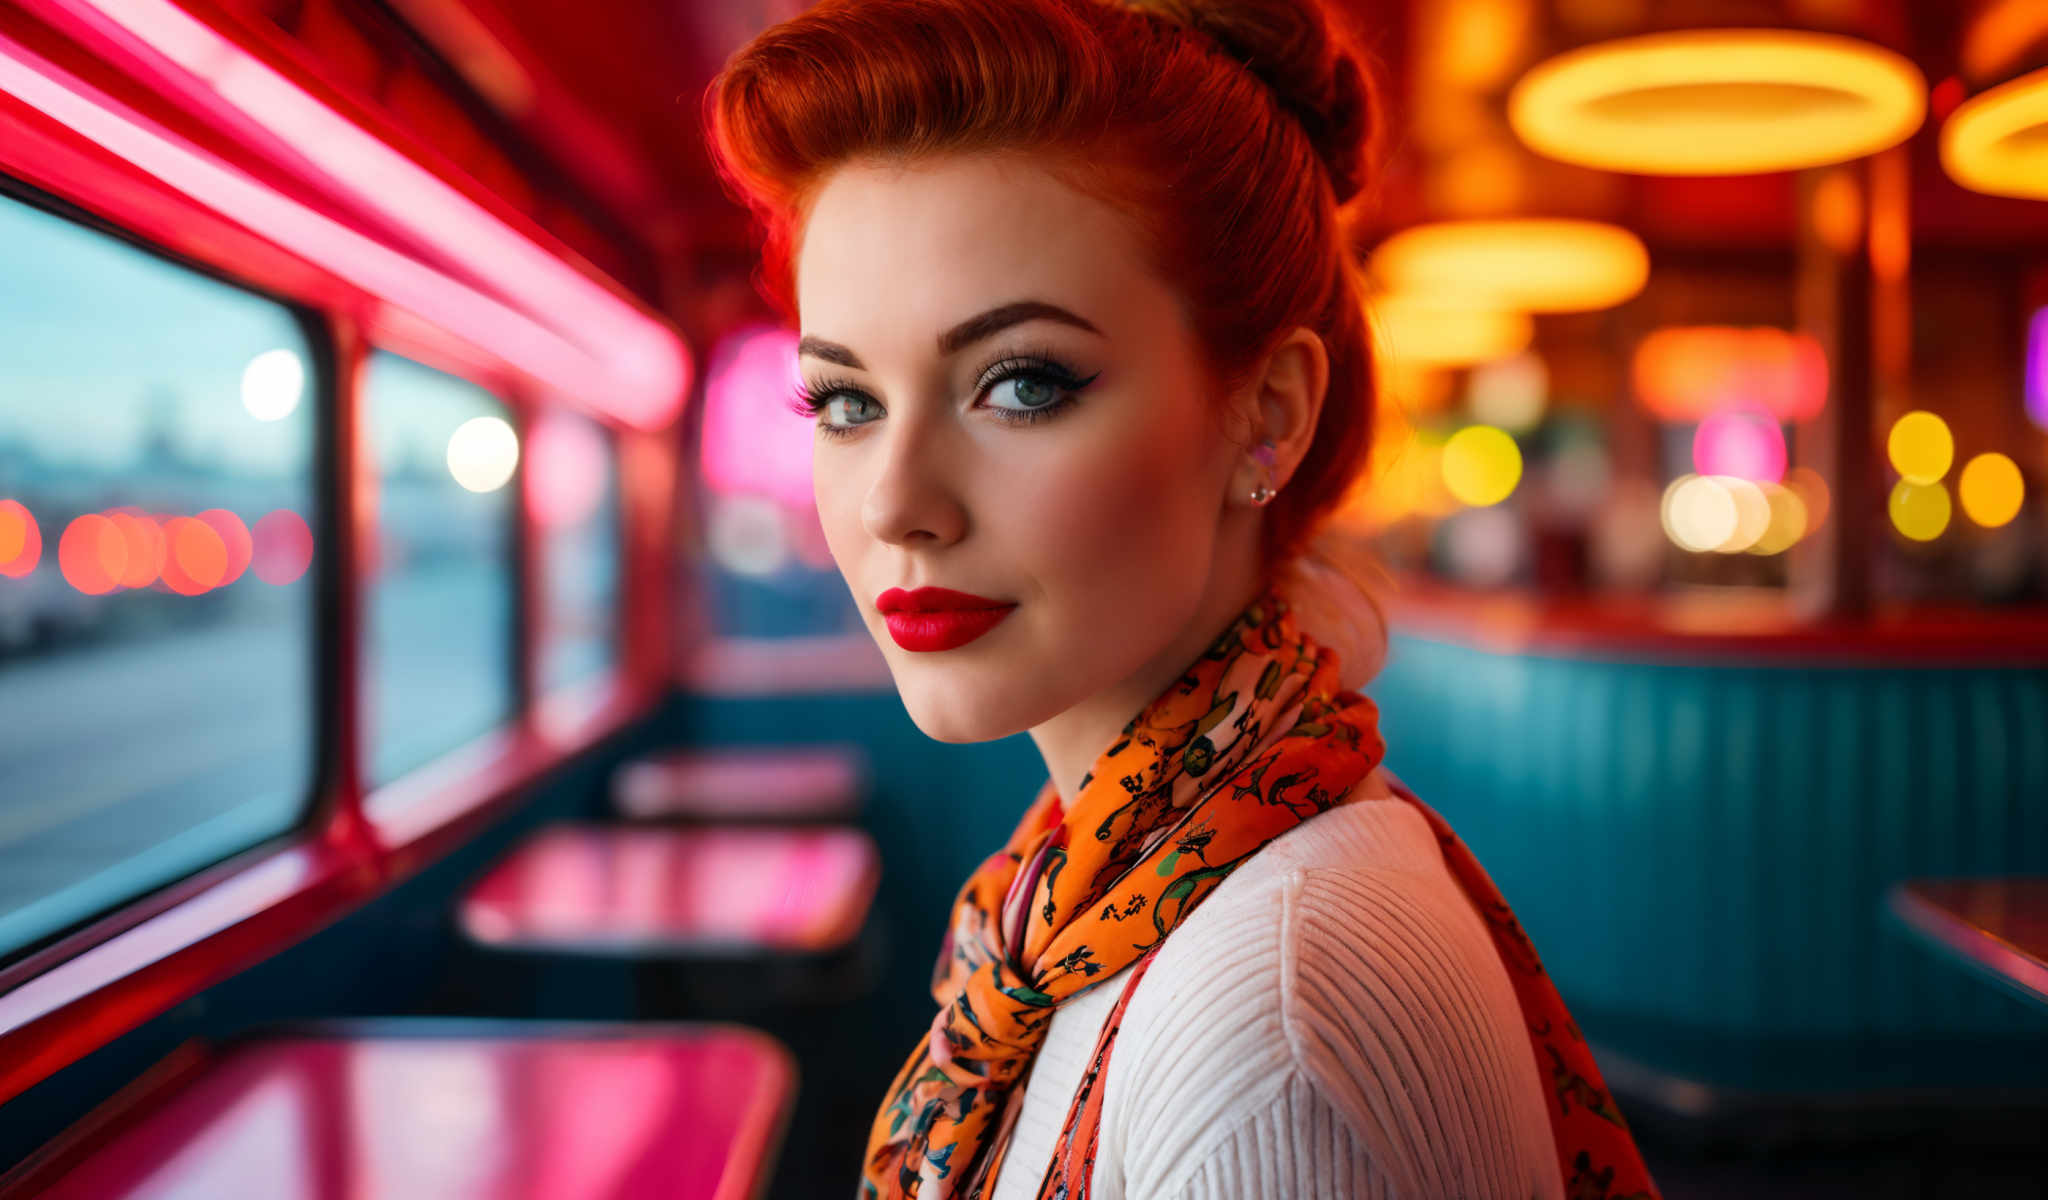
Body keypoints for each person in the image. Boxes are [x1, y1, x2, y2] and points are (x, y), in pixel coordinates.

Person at [708, 1, 1662, 1196]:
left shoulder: (1271, 1020)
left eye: (1018, 384)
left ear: (1265, 414)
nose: (896, 502)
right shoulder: (1107, 884)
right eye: (844, 403)